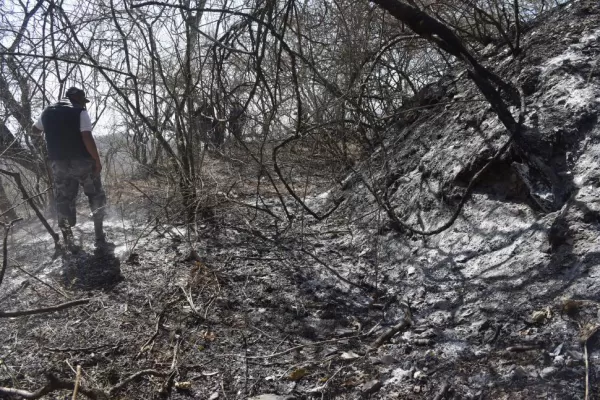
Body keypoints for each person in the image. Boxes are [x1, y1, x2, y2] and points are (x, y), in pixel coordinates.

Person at [32, 87, 107, 251]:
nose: (84, 103)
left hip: (59, 164)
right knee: (96, 195)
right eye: (83, 100)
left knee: (63, 200)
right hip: (83, 162)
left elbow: (34, 130)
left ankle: (68, 240)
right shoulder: (79, 111)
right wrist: (96, 160)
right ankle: (99, 236)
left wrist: (45, 149)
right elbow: (86, 136)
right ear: (77, 97)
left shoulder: (47, 112)